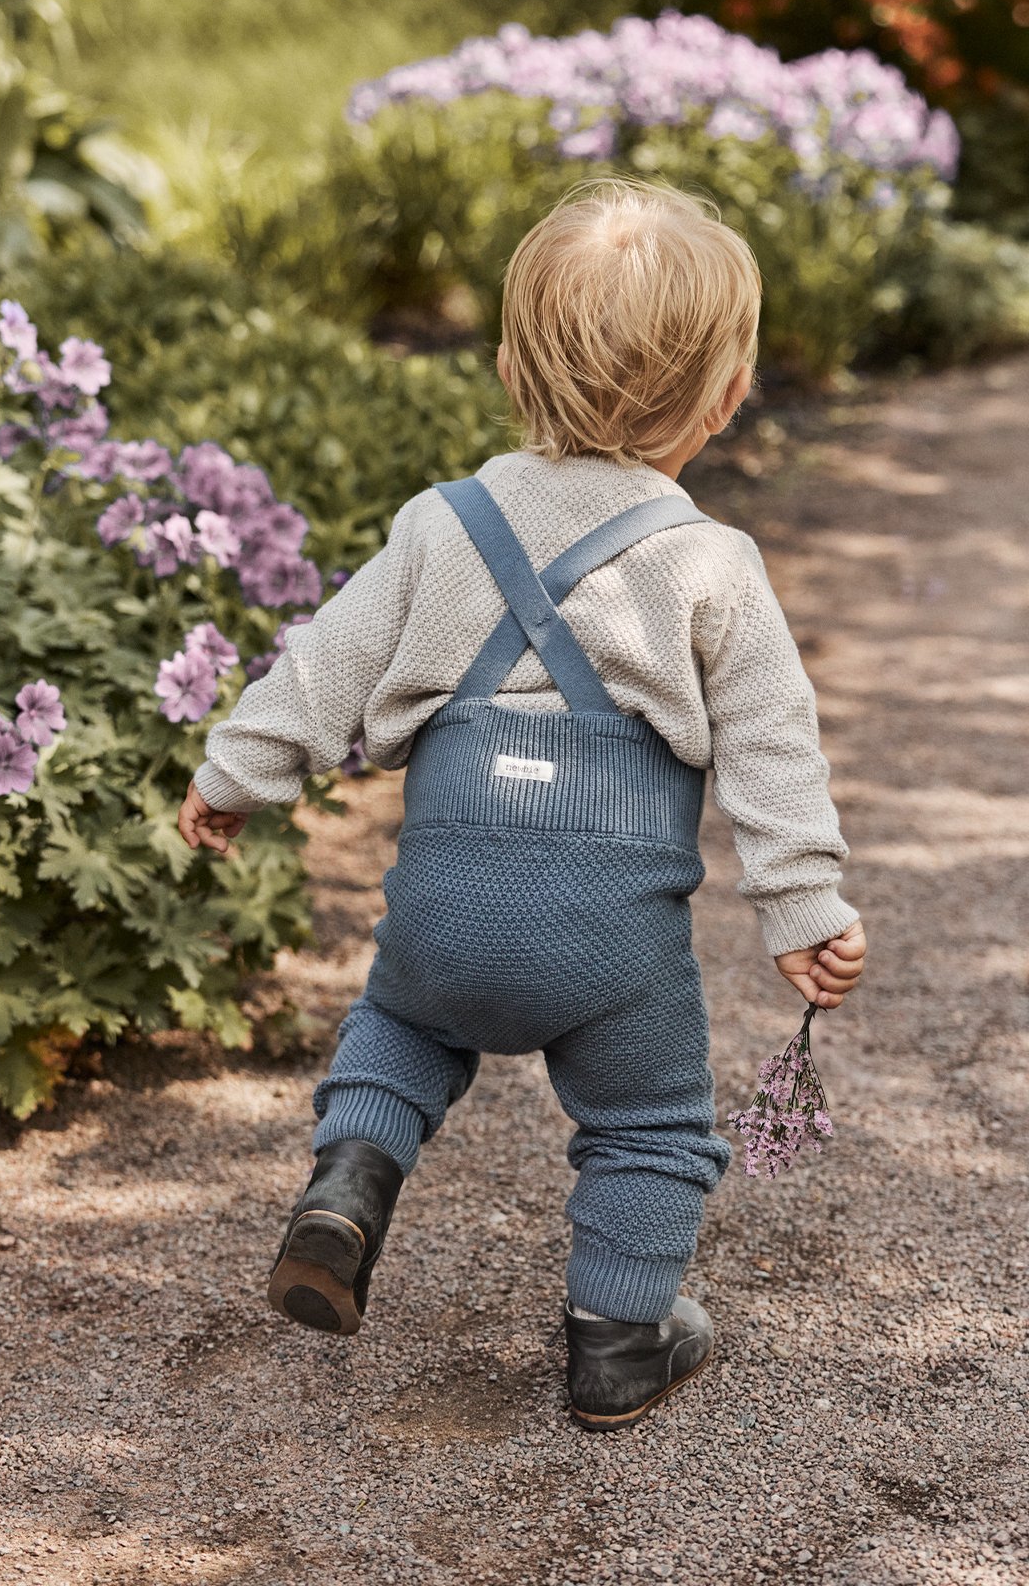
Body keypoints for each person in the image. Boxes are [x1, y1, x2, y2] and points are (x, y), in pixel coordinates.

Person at [177, 179, 867, 1430]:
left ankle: (346, 1187)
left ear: (505, 366)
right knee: (651, 1120)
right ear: (723, 399)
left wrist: (237, 771)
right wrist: (802, 905)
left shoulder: (441, 527)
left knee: (399, 1024)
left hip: (447, 902)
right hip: (611, 943)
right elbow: (774, 749)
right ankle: (617, 1340)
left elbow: (321, 665)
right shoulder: (712, 564)